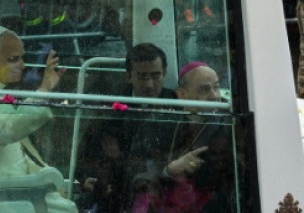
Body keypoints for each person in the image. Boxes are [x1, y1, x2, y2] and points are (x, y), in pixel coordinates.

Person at [0, 26, 76, 213]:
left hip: (12, 186)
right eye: (13, 59)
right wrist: (44, 90)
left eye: (22, 58)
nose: (22, 66)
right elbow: (7, 128)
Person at [78, 43, 176, 212]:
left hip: (163, 186)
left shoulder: (174, 104)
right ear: (129, 76)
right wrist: (88, 177)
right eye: (142, 77)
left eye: (155, 76)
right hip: (120, 189)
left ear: (165, 74)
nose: (150, 85)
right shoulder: (113, 108)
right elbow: (89, 151)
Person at [154, 62, 236, 212]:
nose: (214, 96)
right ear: (182, 94)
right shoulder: (164, 122)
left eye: (216, 87)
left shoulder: (227, 123)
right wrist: (169, 171)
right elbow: (144, 167)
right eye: (205, 89)